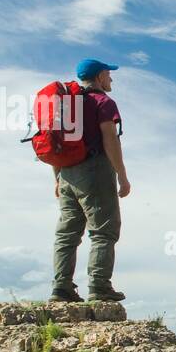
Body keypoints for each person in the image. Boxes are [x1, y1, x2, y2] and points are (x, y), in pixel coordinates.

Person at [50, 58, 131, 302]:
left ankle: (61, 289)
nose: (111, 79)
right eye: (108, 74)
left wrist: (57, 177)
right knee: (103, 231)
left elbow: (56, 144)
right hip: (95, 171)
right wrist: (122, 176)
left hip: (66, 173)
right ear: (99, 77)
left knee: (67, 234)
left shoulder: (66, 105)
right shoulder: (102, 102)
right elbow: (110, 139)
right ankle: (99, 287)